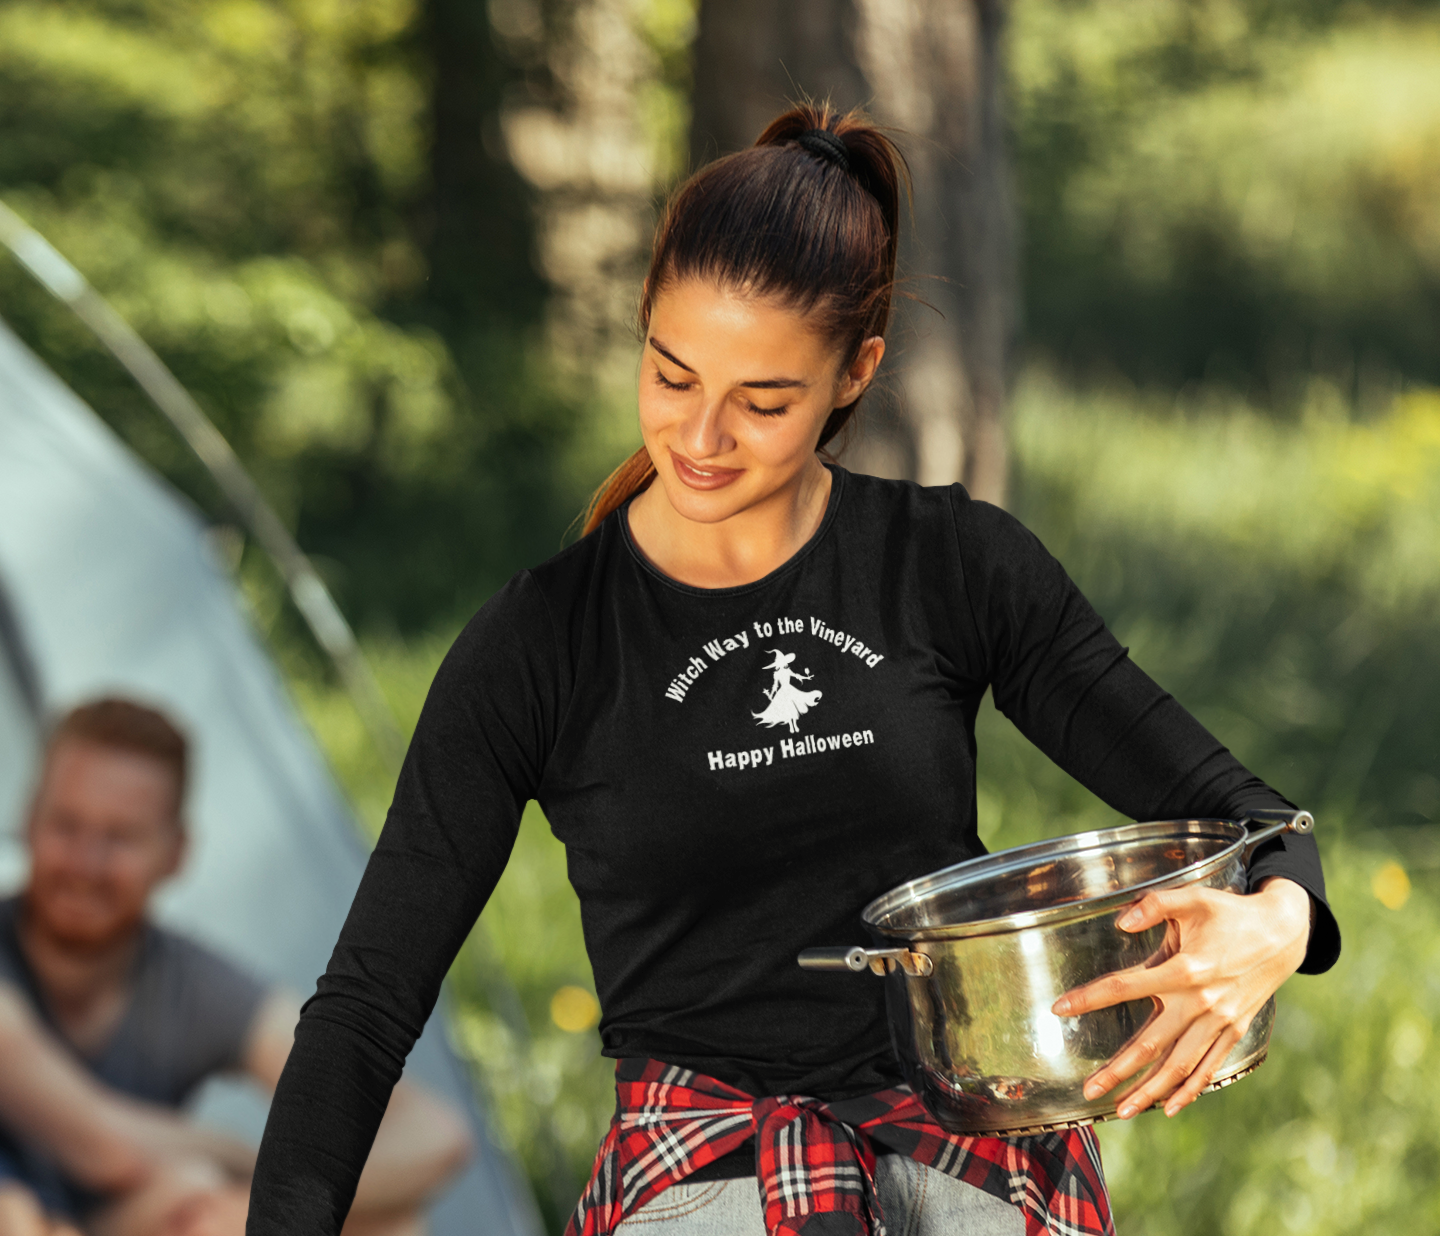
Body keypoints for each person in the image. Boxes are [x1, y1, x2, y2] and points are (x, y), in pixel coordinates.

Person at [246, 105, 1340, 1236]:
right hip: (703, 1163)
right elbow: (370, 1001)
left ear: (853, 374)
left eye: (763, 402)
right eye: (672, 377)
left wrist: (1281, 921)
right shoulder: (545, 642)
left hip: (970, 1142)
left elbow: (1254, 821)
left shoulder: (950, 565)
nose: (701, 438)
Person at [0, 699, 473, 1236]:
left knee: (387, 1226)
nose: (85, 862)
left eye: (119, 838)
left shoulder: (189, 982)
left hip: (110, 1217)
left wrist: (244, 1190)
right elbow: (107, 1148)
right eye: (66, 825)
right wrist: (239, 1168)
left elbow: (436, 1134)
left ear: (176, 854)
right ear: (27, 820)